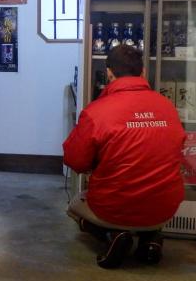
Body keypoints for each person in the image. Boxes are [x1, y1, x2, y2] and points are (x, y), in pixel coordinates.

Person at [63, 44, 185, 269]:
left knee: (73, 205)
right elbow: (177, 148)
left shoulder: (97, 111)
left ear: (109, 73)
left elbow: (74, 160)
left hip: (114, 205)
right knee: (150, 201)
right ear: (143, 73)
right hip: (166, 206)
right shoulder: (167, 106)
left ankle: (113, 237)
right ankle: (150, 239)